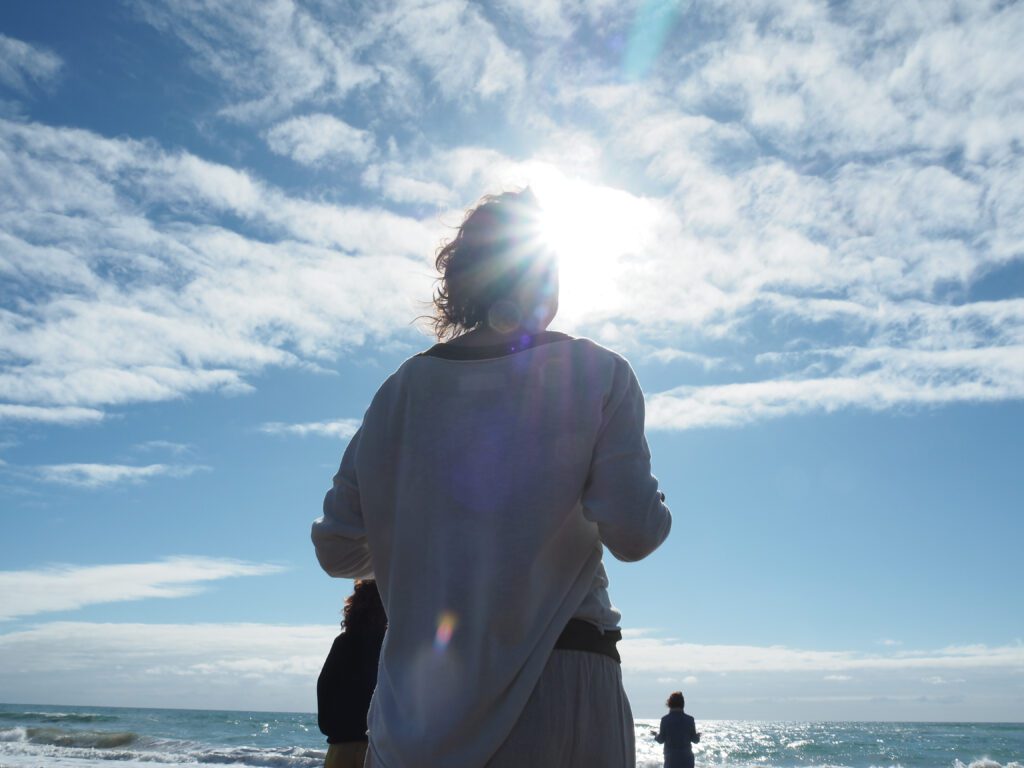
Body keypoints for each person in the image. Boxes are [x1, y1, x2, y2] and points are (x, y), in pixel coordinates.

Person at [312, 188, 672, 768]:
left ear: (463, 283)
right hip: (563, 683)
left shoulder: (397, 393)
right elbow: (634, 534)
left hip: (420, 710)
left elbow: (337, 549)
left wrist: (437, 547)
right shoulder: (598, 372)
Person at [317, 579, 387, 768]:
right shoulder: (390, 645)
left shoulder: (343, 643)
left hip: (341, 746)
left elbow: (324, 687)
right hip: (379, 747)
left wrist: (331, 728)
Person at [653, 692, 700, 768]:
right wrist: (697, 736)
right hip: (687, 759)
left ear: (669, 704)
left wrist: (656, 735)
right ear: (682, 704)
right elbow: (695, 740)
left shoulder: (665, 720)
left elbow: (661, 740)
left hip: (671, 759)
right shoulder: (690, 720)